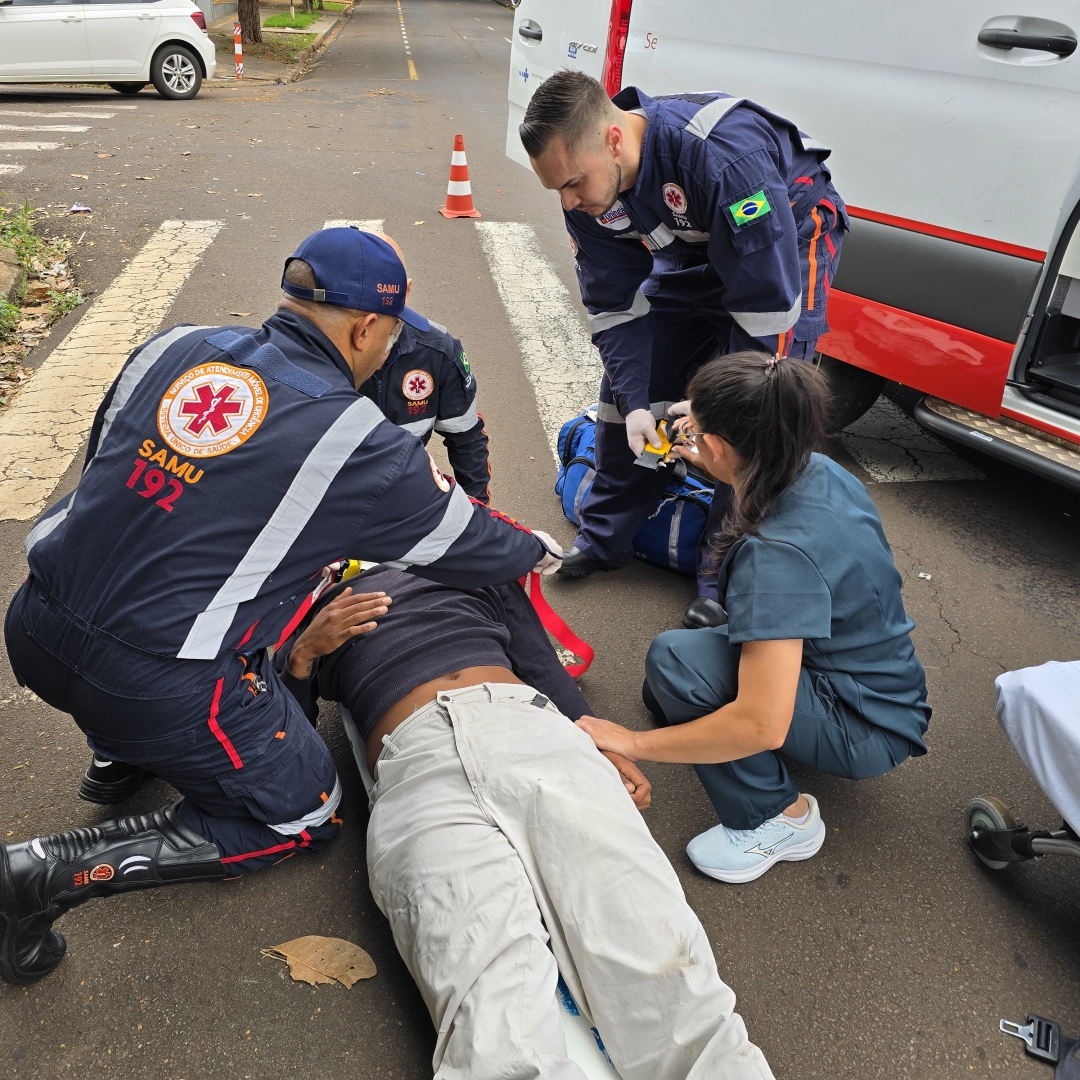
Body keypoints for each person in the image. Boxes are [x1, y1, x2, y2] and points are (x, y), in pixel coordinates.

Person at [0, 227, 563, 987]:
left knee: (176, 584)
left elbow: (110, 470)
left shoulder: (176, 345)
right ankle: (44, 874)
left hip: (32, 623)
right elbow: (472, 543)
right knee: (304, 811)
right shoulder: (357, 438)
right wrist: (542, 548)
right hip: (154, 679)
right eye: (389, 339)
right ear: (369, 329)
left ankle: (121, 748)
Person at [273, 565, 776, 1080]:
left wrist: (601, 746)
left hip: (530, 726)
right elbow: (278, 744)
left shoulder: (465, 558)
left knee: (659, 958)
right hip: (417, 764)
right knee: (489, 1019)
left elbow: (542, 664)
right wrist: (301, 656)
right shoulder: (308, 599)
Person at [577, 353, 930, 884]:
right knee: (693, 658)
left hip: (866, 725)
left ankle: (778, 818)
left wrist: (630, 742)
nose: (687, 426)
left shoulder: (777, 557)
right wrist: (708, 446)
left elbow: (760, 724)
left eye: (699, 424)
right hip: (886, 687)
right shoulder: (819, 471)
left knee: (677, 663)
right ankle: (752, 732)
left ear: (722, 445)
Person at [520, 71, 847, 627]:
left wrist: (713, 404)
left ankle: (721, 575)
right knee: (632, 392)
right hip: (694, 245)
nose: (569, 201)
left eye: (574, 183)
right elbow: (616, 308)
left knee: (758, 410)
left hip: (784, 234)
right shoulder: (587, 188)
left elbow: (763, 312)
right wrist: (640, 406)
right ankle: (605, 539)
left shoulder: (721, 157)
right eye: (558, 189)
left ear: (615, 140)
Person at [360, 315, 491, 503]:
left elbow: (467, 442)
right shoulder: (314, 351)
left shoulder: (439, 353)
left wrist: (476, 512)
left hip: (402, 490)